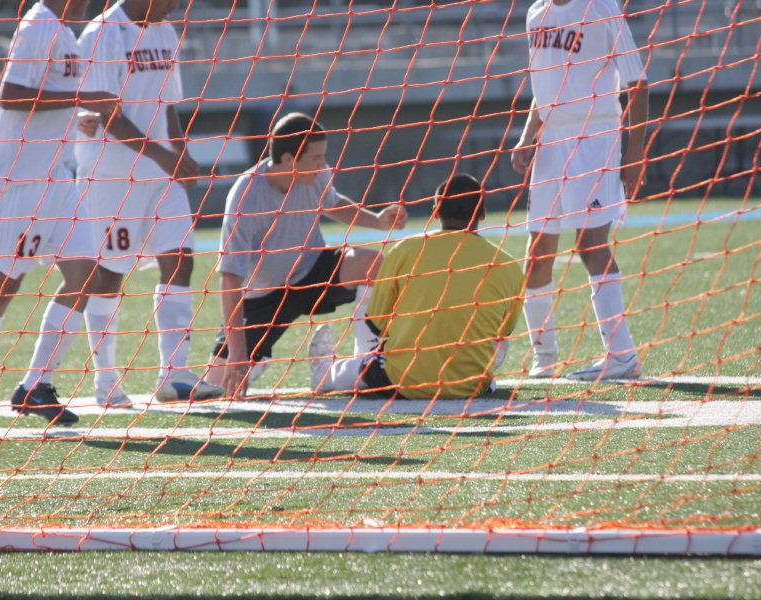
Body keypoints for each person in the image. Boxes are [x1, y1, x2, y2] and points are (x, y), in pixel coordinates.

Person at [0, 0, 120, 436]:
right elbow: (11, 94)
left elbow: (46, 97)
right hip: (19, 178)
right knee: (5, 282)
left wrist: (78, 118)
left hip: (56, 176)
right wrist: (82, 98)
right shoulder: (39, 24)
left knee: (87, 274)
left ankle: (36, 386)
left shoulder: (64, 30)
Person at [75, 0, 224, 406]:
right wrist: (163, 155)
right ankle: (106, 383)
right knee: (108, 275)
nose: (176, 7)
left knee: (181, 257)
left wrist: (180, 152)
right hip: (111, 176)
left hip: (160, 176)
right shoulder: (101, 34)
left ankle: (174, 376)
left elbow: (168, 105)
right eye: (171, 0)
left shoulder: (164, 31)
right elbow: (108, 114)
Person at [208, 112, 408, 398]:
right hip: (264, 298)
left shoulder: (315, 174)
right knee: (221, 388)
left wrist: (378, 220)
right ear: (289, 159)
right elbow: (230, 279)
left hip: (313, 271)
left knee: (371, 263)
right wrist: (238, 351)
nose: (324, 164)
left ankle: (366, 364)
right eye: (316, 157)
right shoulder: (245, 198)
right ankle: (254, 361)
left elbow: (333, 203)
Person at [511, 0, 648, 381]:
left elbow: (638, 83)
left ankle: (622, 357)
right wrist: (527, 138)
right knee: (537, 253)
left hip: (595, 138)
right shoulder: (535, 13)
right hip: (550, 144)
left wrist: (635, 153)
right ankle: (545, 359)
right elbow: (545, 89)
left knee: (590, 244)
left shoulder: (601, 7)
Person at [310, 174, 525, 399]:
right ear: (483, 213)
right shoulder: (509, 265)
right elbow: (504, 332)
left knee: (348, 373)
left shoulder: (404, 250)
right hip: (470, 383)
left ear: (435, 212)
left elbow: (376, 324)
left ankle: (324, 372)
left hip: (402, 377)